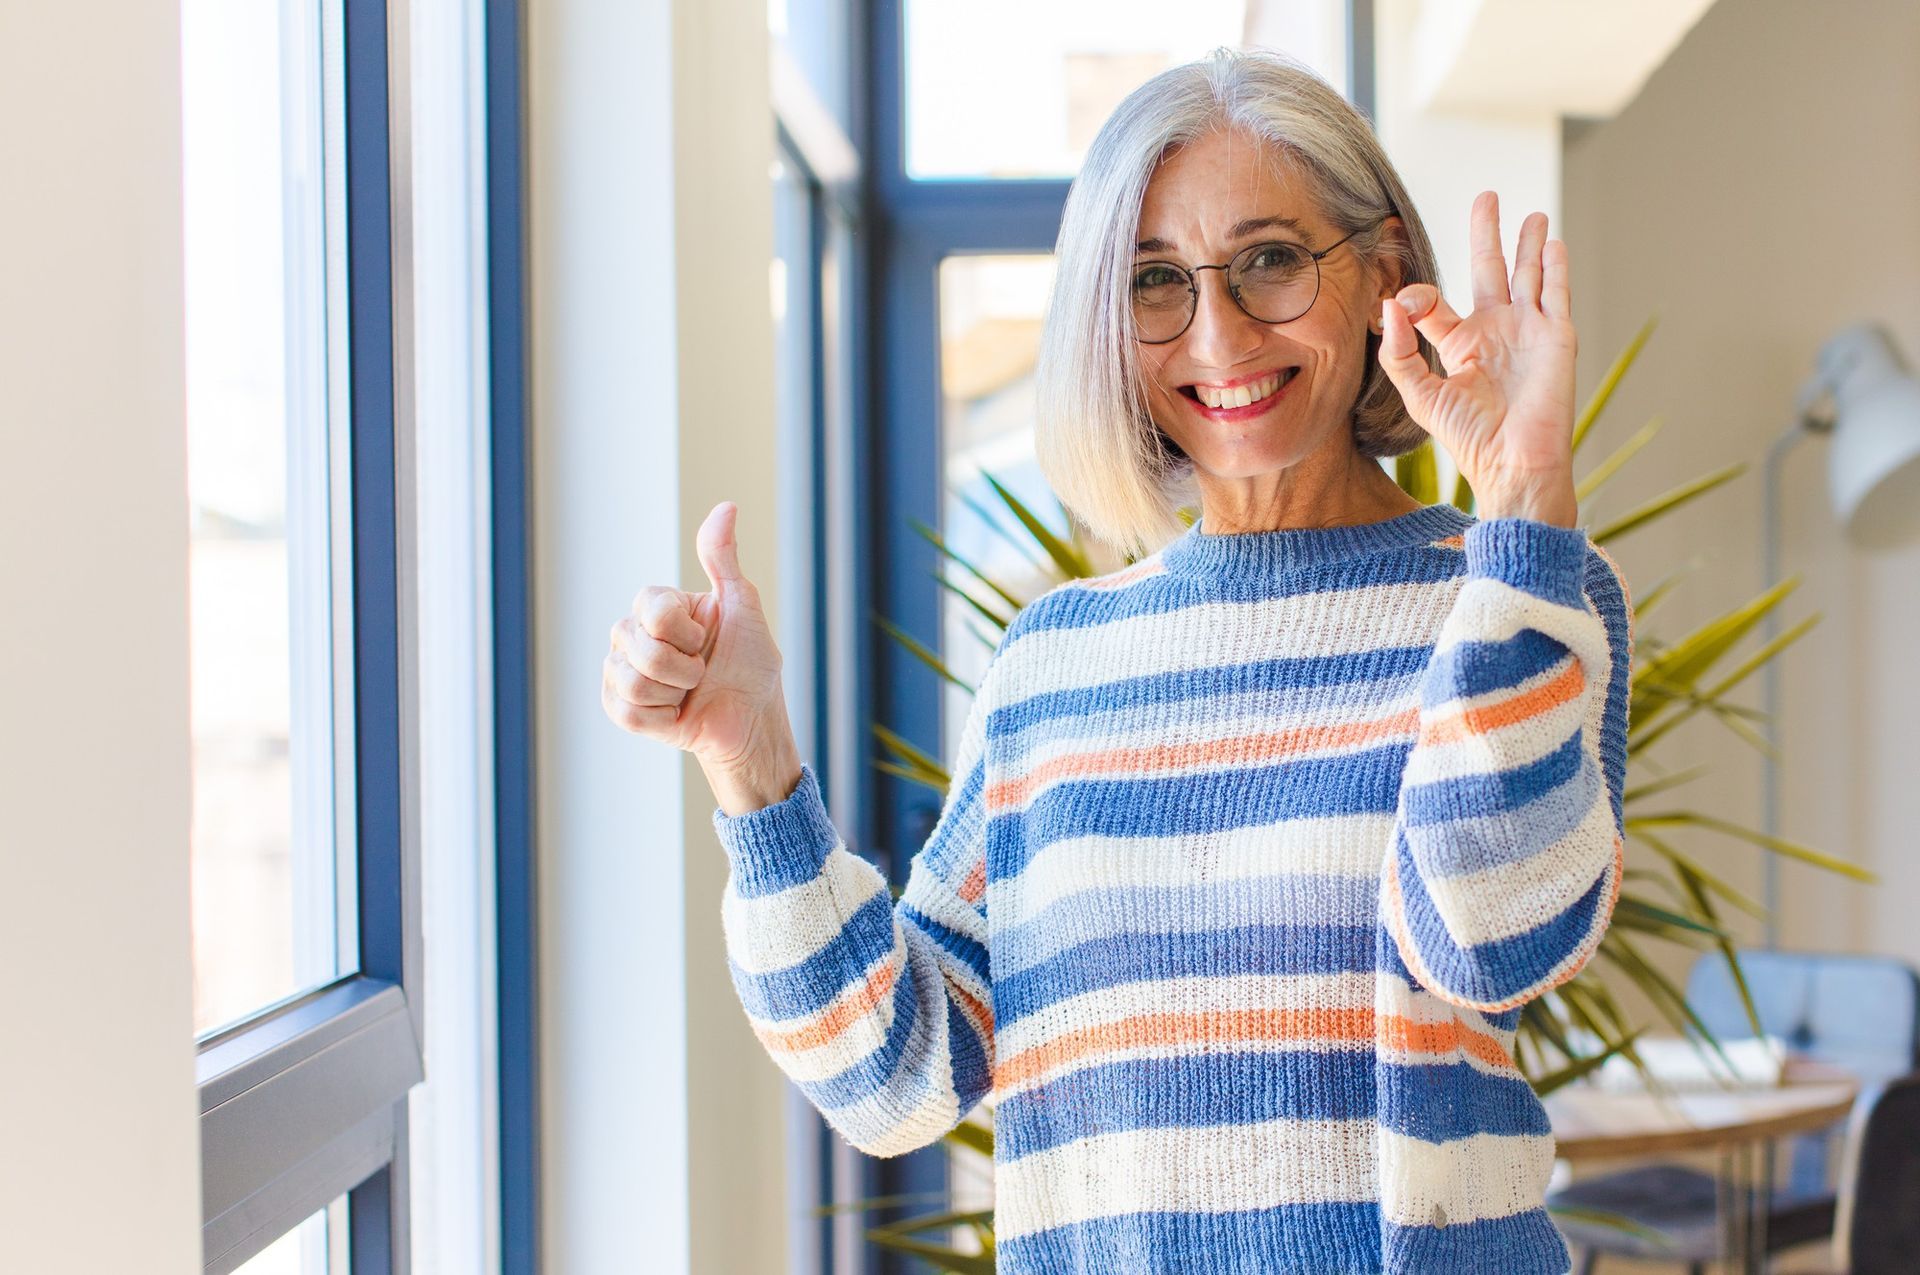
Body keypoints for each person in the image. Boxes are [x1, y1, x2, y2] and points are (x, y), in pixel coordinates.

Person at [602, 46, 1632, 1275]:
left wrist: (1522, 505)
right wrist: (752, 764)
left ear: (1382, 277)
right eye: (1156, 282)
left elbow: (1495, 935)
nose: (1219, 334)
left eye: (1271, 260)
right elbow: (900, 1078)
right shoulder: (1056, 664)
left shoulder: (1516, 590)